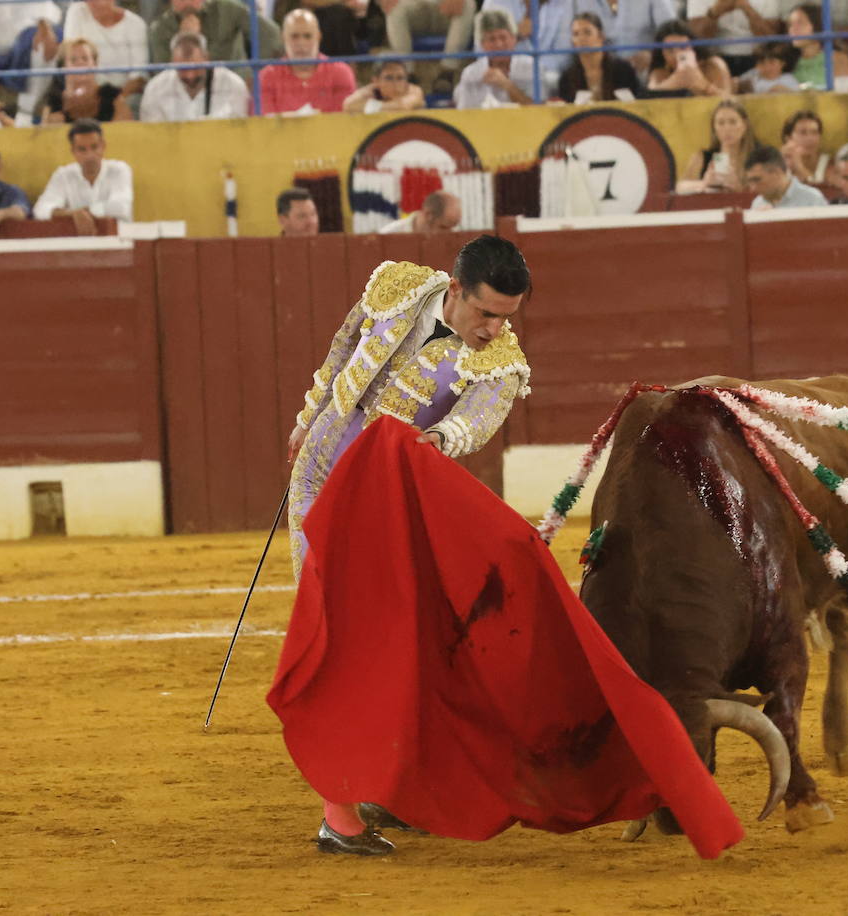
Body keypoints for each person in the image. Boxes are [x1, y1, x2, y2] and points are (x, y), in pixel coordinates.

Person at [282, 251, 536, 866]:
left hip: (385, 507)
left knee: (383, 648)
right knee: (340, 645)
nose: (494, 329)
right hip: (318, 483)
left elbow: (476, 421)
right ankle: (340, 815)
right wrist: (309, 416)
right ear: (455, 288)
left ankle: (378, 787)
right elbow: (343, 349)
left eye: (506, 318)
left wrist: (440, 439)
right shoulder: (397, 286)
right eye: (485, 313)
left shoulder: (500, 362)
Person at [33, 119, 135, 232]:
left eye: (94, 147)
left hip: (119, 242)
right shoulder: (63, 175)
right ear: (73, 151)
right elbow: (41, 210)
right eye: (82, 149)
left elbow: (120, 207)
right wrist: (73, 214)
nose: (89, 155)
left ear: (103, 146)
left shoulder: (119, 170)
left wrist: (81, 212)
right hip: (77, 245)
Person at [259, 8, 357, 114]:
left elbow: (344, 121)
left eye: (308, 36)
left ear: (318, 37)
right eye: (294, 36)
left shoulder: (341, 73)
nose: (301, 43)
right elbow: (263, 124)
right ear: (283, 38)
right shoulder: (266, 76)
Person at [141, 32, 251, 120]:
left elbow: (240, 131)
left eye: (196, 68)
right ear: (172, 63)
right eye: (182, 70)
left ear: (207, 58)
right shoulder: (155, 89)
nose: (190, 76)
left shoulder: (234, 85)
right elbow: (153, 135)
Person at [149, 0, 281, 69]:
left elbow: (271, 34)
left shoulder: (227, 9)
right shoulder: (159, 29)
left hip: (232, 89)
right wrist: (186, 40)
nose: (187, 2)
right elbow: (163, 76)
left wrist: (257, 72)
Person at [384, 0, 477, 92]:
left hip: (447, 12)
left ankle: (447, 72)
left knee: (467, 3)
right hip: (413, 10)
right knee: (393, 8)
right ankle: (406, 74)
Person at [63, 0, 149, 99]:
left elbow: (138, 77)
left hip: (124, 96)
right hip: (86, 92)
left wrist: (116, 103)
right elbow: (70, 60)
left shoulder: (136, 24)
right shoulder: (77, 12)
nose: (92, 2)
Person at [40, 38, 135, 123]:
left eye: (85, 58)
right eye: (73, 60)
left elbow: (126, 134)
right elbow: (45, 140)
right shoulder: (53, 101)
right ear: (63, 67)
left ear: (95, 64)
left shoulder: (113, 97)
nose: (80, 63)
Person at [554, 11, 641, 103]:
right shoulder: (567, 77)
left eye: (587, 32)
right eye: (576, 34)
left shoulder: (623, 70)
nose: (581, 38)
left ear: (601, 36)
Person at [455, 9, 534, 108]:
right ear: (482, 44)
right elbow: (465, 115)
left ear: (514, 39)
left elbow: (540, 110)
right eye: (492, 39)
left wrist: (508, 86)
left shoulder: (531, 67)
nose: (499, 44)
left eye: (503, 37)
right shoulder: (471, 73)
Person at [684, 0, 778, 78]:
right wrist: (715, 12)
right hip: (714, 60)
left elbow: (771, 39)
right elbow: (696, 38)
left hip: (758, 59)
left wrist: (748, 9)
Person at [679, 98, 754, 193]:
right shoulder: (704, 157)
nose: (727, 129)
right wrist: (704, 183)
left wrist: (738, 188)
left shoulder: (756, 158)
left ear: (744, 125)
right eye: (721, 123)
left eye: (733, 122)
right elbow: (680, 187)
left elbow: (766, 192)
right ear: (714, 128)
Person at [647, 19, 731, 97]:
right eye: (670, 50)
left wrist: (704, 85)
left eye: (683, 47)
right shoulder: (660, 73)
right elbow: (647, 101)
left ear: (693, 47)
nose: (677, 54)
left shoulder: (713, 64)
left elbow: (731, 102)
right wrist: (674, 82)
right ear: (662, 54)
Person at [785, 4, 848, 90]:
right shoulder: (785, 61)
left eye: (800, 23)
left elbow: (843, 96)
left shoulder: (837, 59)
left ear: (817, 24)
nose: (793, 29)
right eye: (790, 24)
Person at [745, 143, 828, 210]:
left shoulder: (812, 199)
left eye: (757, 180)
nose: (753, 188)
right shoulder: (758, 203)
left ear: (777, 173)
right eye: (750, 181)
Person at [342, 56, 425, 113]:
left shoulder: (414, 91)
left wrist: (370, 106)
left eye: (400, 78)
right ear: (376, 81)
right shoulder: (371, 90)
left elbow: (403, 106)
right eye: (389, 78)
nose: (395, 83)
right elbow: (348, 105)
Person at [780, 109, 828, 185]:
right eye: (803, 133)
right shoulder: (779, 165)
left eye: (814, 132)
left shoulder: (829, 164)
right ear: (788, 138)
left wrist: (799, 168)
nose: (810, 138)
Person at [378, 189, 461, 233]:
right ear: (429, 215)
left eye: (453, 227)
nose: (450, 233)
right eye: (444, 227)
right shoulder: (390, 234)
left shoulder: (456, 239)